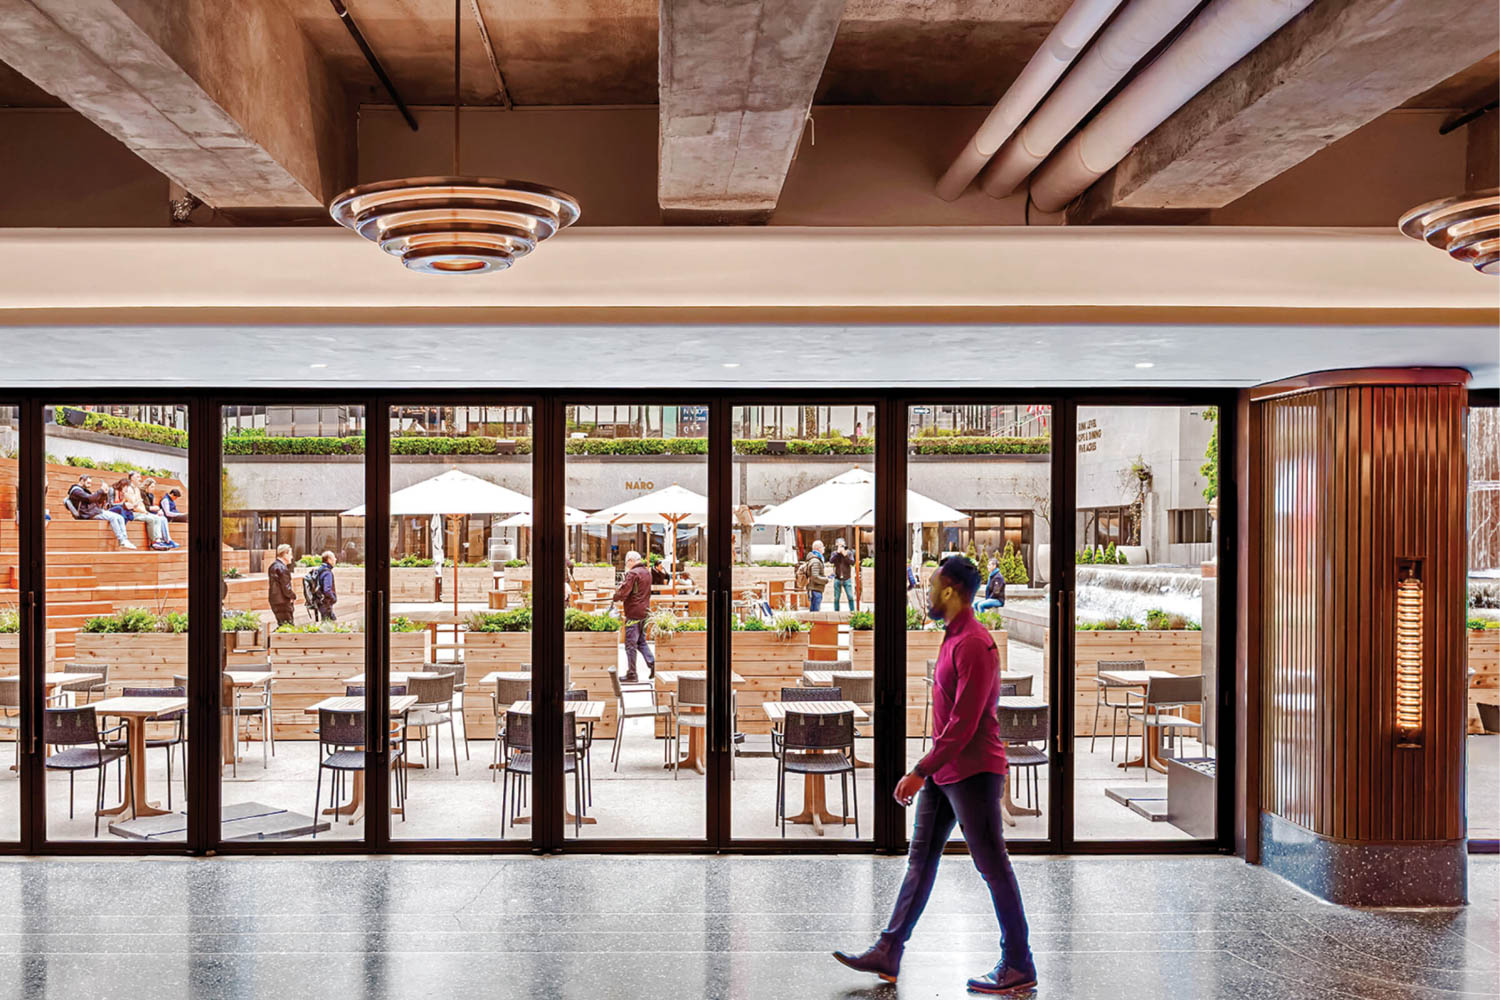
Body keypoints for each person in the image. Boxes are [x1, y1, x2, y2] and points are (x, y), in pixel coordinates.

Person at [833, 555, 1035, 995]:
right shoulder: (953, 638)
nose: (925, 593)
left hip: (974, 771)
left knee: (993, 867)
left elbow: (964, 724)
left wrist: (919, 771)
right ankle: (889, 950)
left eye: (930, 585)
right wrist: (931, 770)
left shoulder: (974, 645)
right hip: (947, 770)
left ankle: (1019, 964)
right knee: (921, 862)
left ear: (949, 591)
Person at [610, 550, 654, 683]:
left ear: (631, 560)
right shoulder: (647, 572)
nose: (626, 565)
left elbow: (624, 592)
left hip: (633, 613)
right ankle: (653, 664)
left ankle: (632, 674)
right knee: (641, 641)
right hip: (644, 611)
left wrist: (615, 596)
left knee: (630, 644)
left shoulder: (632, 573)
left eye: (626, 562)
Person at [65, 474, 135, 549]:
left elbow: (97, 501)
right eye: (88, 483)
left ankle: (125, 540)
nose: (90, 485)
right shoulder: (76, 491)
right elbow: (89, 499)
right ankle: (121, 540)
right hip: (88, 514)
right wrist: (101, 490)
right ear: (82, 481)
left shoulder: (82, 490)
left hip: (95, 511)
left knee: (120, 517)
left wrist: (104, 493)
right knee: (113, 518)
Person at [120, 472, 174, 549]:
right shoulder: (128, 489)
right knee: (151, 519)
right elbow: (134, 506)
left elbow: (140, 503)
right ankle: (153, 542)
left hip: (139, 512)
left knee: (157, 518)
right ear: (132, 478)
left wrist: (145, 511)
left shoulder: (137, 489)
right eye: (138, 477)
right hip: (131, 513)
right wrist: (144, 512)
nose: (140, 479)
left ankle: (158, 541)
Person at [268, 544, 296, 627]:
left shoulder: (273, 566)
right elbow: (286, 587)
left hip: (275, 601)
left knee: (283, 625)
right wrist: (293, 596)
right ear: (285, 553)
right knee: (288, 626)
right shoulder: (282, 568)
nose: (292, 557)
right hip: (283, 602)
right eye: (290, 554)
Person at [829, 537, 856, 611]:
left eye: (842, 545)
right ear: (836, 545)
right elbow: (831, 561)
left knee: (850, 596)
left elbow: (852, 563)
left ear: (845, 545)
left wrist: (845, 555)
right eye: (839, 545)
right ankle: (836, 612)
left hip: (847, 578)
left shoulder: (849, 552)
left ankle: (852, 612)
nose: (841, 547)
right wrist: (837, 553)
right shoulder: (834, 553)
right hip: (837, 578)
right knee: (836, 598)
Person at [313, 550, 338, 621]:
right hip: (326, 602)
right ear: (329, 560)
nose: (335, 559)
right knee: (329, 622)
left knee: (327, 621)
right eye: (334, 557)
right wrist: (333, 598)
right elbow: (327, 589)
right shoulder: (327, 572)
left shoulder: (320, 569)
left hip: (320, 601)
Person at [805, 539, 828, 612]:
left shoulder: (816, 559)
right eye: (823, 547)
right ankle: (813, 623)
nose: (824, 548)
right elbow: (815, 577)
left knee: (813, 612)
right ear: (818, 548)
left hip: (815, 589)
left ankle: (812, 623)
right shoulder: (815, 561)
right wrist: (826, 580)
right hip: (815, 589)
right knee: (815, 613)